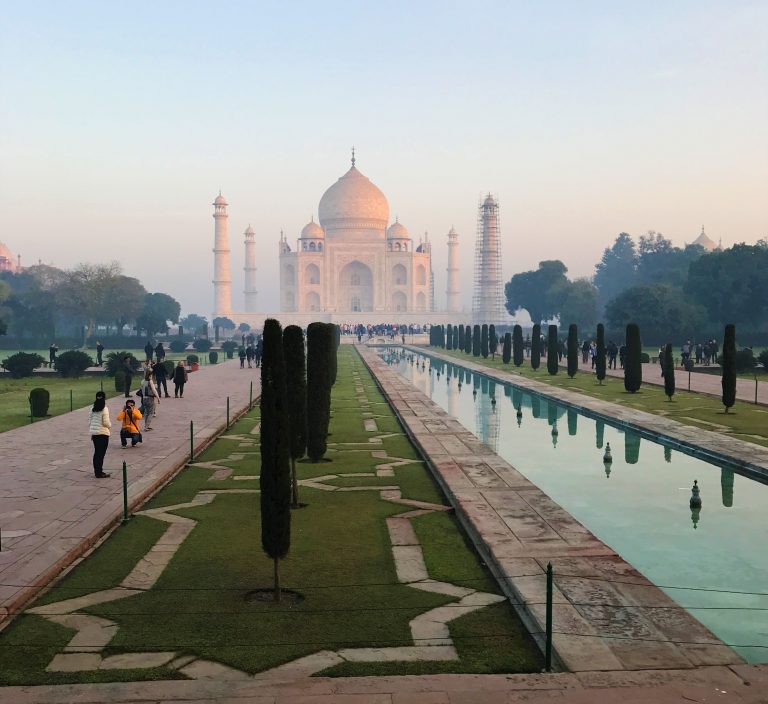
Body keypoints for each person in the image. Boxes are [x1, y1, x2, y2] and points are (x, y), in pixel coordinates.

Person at [88, 391, 111, 477]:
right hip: (103, 433)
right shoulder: (104, 408)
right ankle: (99, 472)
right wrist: (110, 426)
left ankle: (97, 471)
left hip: (95, 434)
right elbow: (106, 422)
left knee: (97, 453)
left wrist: (92, 431)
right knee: (101, 454)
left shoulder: (92, 408)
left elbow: (89, 421)